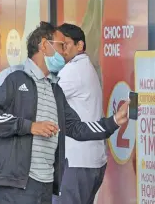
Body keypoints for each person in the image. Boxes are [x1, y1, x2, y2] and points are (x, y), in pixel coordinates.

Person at [0, 21, 129, 204]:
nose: (64, 52)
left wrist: (114, 121)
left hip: (46, 186)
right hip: (16, 186)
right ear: (44, 45)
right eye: (61, 45)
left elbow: (76, 128)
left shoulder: (55, 89)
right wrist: (30, 126)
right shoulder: (14, 78)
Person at [53, 23, 106, 204]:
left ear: (80, 45)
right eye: (57, 45)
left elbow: (45, 101)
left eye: (65, 44)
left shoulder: (73, 71)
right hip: (89, 160)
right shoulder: (85, 67)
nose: (60, 50)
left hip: (76, 161)